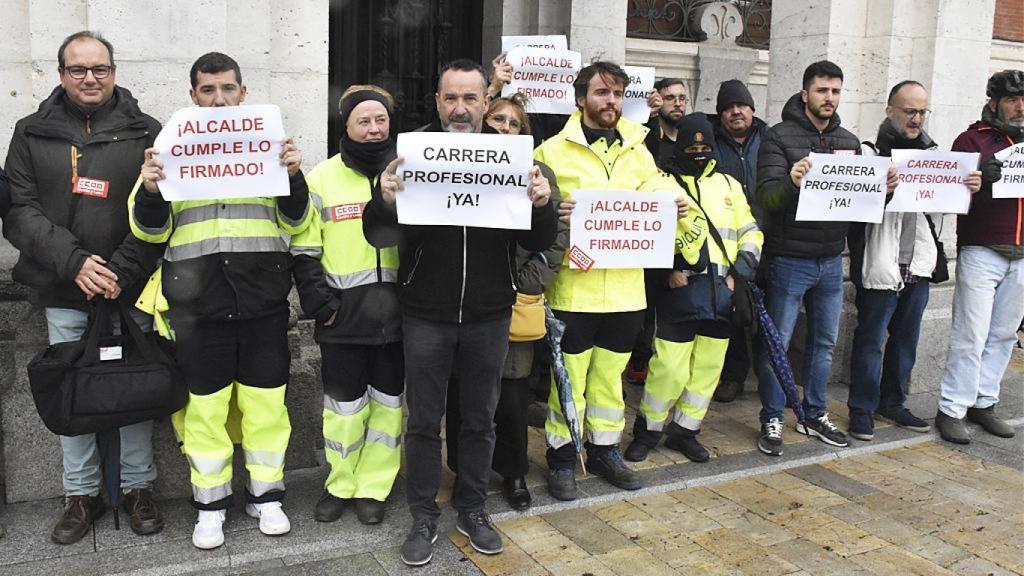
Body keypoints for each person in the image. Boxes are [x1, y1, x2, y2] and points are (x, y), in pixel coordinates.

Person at [364, 59, 556, 566]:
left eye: (471, 98)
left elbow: (537, 239)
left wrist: (542, 203)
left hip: (489, 313)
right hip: (425, 313)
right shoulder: (411, 153)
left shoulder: (512, 159)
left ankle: (472, 507)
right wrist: (383, 201)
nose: (460, 108)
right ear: (437, 101)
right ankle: (423, 514)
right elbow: (377, 235)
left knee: (479, 420)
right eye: (450, 97)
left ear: (486, 102)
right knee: (424, 421)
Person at [130, 52, 313, 549]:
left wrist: (294, 176)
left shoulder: (273, 148)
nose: (218, 99)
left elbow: (298, 222)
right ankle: (209, 506)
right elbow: (148, 230)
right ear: (193, 96)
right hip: (197, 308)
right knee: (204, 412)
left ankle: (266, 497)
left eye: (227, 88)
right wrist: (151, 189)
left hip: (262, 304)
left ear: (243, 93)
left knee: (266, 407)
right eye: (207, 90)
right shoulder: (170, 150)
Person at [3, 30, 165, 545]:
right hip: (63, 288)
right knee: (73, 390)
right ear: (61, 74)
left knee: (135, 385)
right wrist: (74, 263)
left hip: (129, 287)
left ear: (114, 72)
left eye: (100, 68)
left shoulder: (147, 130)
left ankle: (138, 487)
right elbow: (19, 210)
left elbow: (162, 209)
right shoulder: (31, 132)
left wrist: (120, 270)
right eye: (78, 69)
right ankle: (80, 494)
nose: (90, 78)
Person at [534, 61, 703, 501]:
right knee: (567, 379)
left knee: (611, 378)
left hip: (626, 290)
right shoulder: (550, 150)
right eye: (602, 93)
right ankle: (562, 456)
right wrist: (553, 209)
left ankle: (604, 450)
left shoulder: (637, 146)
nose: (611, 101)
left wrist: (673, 201)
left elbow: (653, 186)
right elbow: (534, 210)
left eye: (617, 94)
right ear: (581, 98)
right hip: (574, 289)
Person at [754, 60, 896, 456]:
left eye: (835, 91)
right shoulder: (778, 137)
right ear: (805, 94)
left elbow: (862, 206)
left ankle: (814, 413)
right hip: (789, 259)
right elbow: (765, 198)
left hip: (832, 259)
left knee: (824, 343)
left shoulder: (849, 141)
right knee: (778, 343)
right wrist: (791, 181)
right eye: (822, 90)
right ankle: (771, 416)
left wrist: (886, 191)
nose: (829, 98)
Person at [445, 94, 569, 511]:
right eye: (498, 119)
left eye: (514, 123)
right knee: (463, 393)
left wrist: (526, 281)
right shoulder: (459, 163)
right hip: (466, 300)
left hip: (514, 301)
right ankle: (465, 472)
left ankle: (514, 471)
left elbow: (556, 235)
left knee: (512, 396)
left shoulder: (539, 173)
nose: (504, 127)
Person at [289, 85, 404, 526]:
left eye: (380, 120)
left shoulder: (410, 172)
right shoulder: (321, 178)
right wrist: (321, 305)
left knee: (388, 407)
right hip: (343, 317)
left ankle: (375, 487)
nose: (374, 129)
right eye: (364, 121)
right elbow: (304, 248)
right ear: (347, 125)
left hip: (396, 318)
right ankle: (339, 484)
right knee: (342, 410)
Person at [847, 81, 982, 441]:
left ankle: (893, 402)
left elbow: (942, 207)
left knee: (906, 340)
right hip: (880, 261)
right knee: (870, 340)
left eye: (922, 112)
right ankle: (861, 409)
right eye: (909, 111)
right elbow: (852, 208)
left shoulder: (935, 155)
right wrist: (881, 191)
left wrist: (966, 187)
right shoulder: (868, 152)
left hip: (918, 263)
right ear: (889, 110)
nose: (917, 119)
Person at [626, 113, 759, 463]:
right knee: (668, 369)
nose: (699, 152)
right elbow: (642, 233)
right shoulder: (659, 183)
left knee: (707, 369)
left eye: (705, 146)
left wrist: (741, 272)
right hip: (680, 291)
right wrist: (666, 271)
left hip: (723, 292)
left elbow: (750, 231)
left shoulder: (729, 185)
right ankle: (648, 431)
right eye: (691, 146)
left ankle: (685, 431)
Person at [935, 69, 1024, 444]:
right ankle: (952, 407)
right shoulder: (972, 140)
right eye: (1012, 100)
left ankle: (984, 401)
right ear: (994, 103)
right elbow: (946, 192)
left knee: (1003, 334)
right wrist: (978, 181)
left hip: (1021, 254)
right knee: (969, 334)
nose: (1020, 107)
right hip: (982, 249)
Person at [707, 79, 769, 403]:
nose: (736, 112)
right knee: (734, 313)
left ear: (752, 109)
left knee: (768, 313)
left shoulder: (769, 138)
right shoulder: (712, 142)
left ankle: (768, 376)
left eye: (741, 105)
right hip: (730, 245)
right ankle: (733, 376)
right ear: (720, 114)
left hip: (769, 242)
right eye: (729, 107)